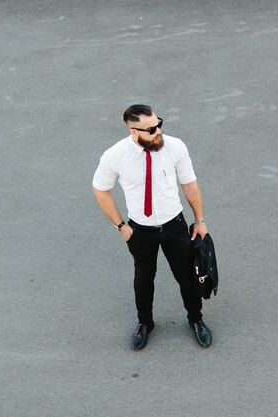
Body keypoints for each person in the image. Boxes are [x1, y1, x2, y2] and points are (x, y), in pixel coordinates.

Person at [92, 104, 212, 350]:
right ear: (133, 131)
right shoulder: (115, 156)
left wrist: (199, 221)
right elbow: (100, 189)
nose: (158, 132)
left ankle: (196, 319)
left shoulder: (175, 147)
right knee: (144, 278)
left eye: (158, 124)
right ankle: (145, 322)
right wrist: (121, 226)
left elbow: (190, 185)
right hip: (140, 230)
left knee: (186, 276)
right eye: (150, 129)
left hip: (174, 226)